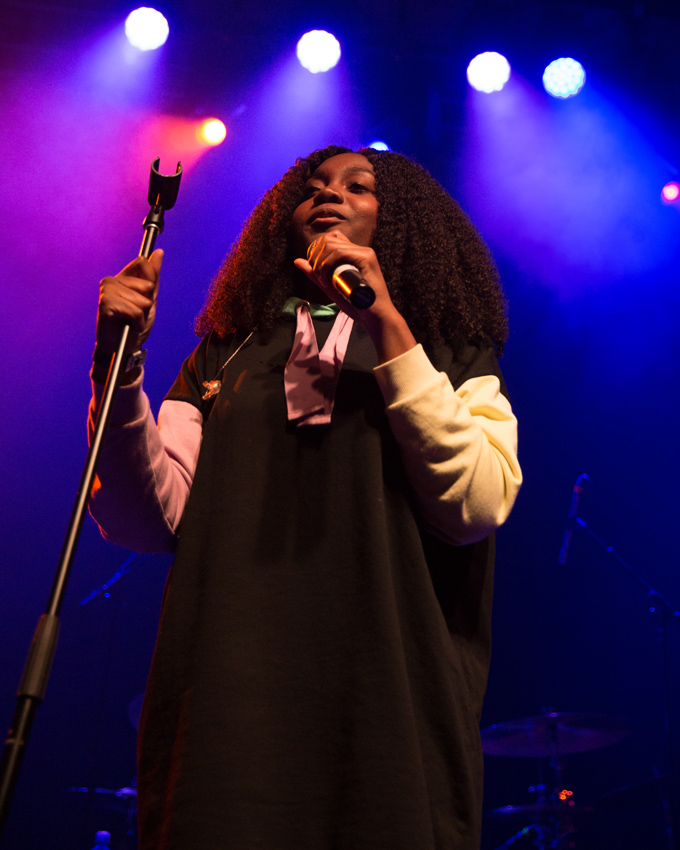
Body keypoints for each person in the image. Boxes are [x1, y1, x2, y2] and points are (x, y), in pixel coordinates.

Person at [89, 145, 522, 850]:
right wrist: (119, 365)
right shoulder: (225, 352)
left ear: (406, 222)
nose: (328, 195)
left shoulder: (449, 351)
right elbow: (148, 515)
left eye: (359, 186)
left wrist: (385, 322)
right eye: (313, 186)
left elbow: (475, 504)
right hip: (229, 713)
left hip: (391, 714)